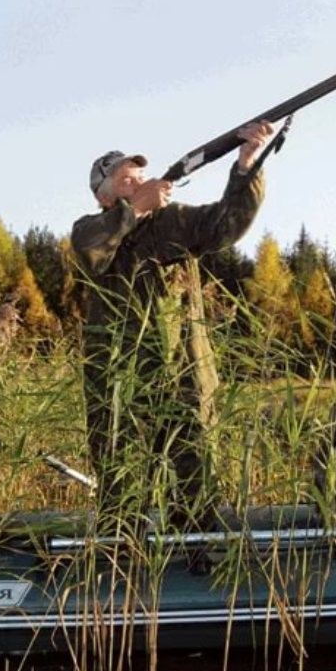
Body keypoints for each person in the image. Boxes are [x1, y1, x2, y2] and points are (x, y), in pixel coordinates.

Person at [72, 121, 274, 535]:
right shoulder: (89, 231)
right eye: (127, 180)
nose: (140, 182)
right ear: (104, 196)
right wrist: (137, 208)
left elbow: (226, 225)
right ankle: (118, 569)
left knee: (198, 485)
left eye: (142, 176)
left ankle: (197, 563)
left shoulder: (175, 222)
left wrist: (246, 165)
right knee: (121, 489)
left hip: (185, 377)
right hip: (120, 383)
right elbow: (91, 252)